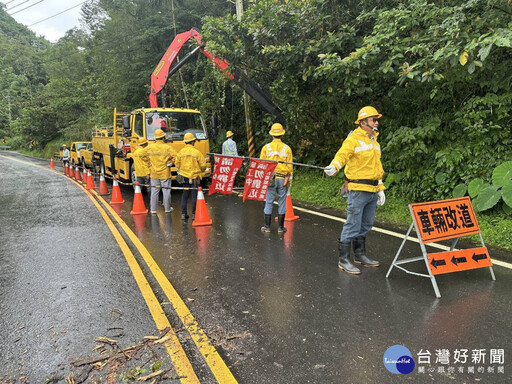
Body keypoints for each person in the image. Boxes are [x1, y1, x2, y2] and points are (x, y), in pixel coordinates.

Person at [324, 106, 386, 275]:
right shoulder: (353, 140)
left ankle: (360, 255)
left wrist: (380, 188)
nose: (377, 122)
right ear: (363, 122)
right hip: (358, 189)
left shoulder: (375, 142)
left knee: (366, 224)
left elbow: (377, 167)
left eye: (377, 119)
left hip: (372, 189)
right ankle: (343, 260)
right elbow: (342, 155)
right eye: (374, 119)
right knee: (352, 224)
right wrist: (334, 166)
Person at [260, 123, 293, 233]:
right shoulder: (287, 148)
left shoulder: (266, 148)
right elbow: (290, 166)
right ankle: (280, 227)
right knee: (282, 201)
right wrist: (290, 181)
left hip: (271, 178)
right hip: (283, 178)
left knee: (269, 201)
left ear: (271, 134)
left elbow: (262, 165)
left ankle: (267, 227)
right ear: (282, 134)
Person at [140, 129, 177, 214]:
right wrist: (171, 162)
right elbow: (176, 157)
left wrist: (149, 162)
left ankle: (153, 209)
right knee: (166, 190)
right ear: (163, 137)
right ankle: (167, 208)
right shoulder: (168, 147)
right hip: (165, 173)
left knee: (154, 191)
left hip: (154, 173)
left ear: (156, 138)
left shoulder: (150, 147)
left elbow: (141, 155)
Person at [175, 133, 206, 220]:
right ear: (192, 142)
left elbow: (177, 164)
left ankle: (183, 214)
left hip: (185, 177)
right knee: (194, 195)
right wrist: (201, 171)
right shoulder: (196, 152)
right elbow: (203, 165)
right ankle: (194, 214)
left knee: (185, 195)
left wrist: (182, 169)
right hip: (195, 177)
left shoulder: (181, 152)